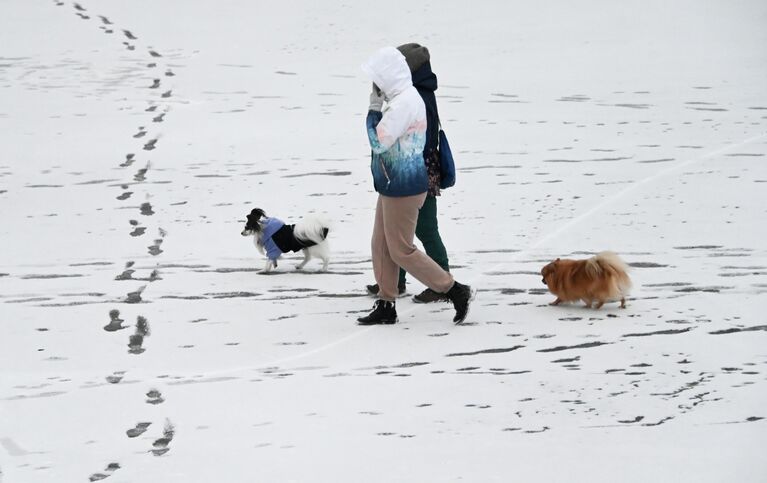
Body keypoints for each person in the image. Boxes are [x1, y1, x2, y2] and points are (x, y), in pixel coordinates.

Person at [357, 46, 473, 325]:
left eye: (377, 80)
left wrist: (373, 111)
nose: (375, 86)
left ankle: (454, 290)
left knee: (401, 249)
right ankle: (386, 304)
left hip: (405, 187)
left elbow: (378, 141)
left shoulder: (405, 104)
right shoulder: (402, 99)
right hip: (390, 182)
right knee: (382, 245)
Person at [365, 42, 450, 304]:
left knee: (424, 230)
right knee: (399, 233)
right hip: (415, 171)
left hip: (417, 172)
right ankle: (395, 283)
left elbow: (403, 139)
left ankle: (445, 282)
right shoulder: (415, 93)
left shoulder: (416, 96)